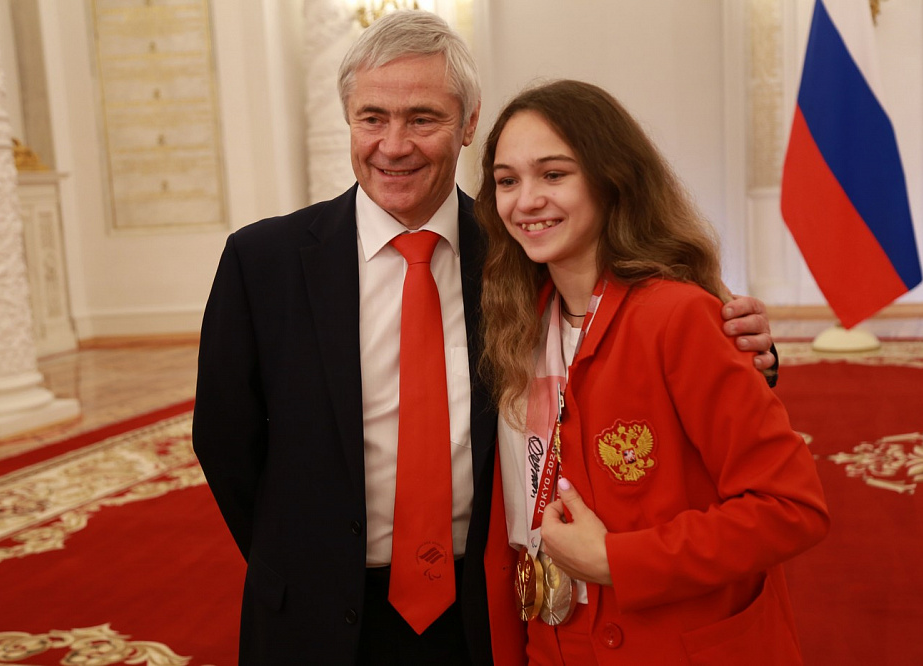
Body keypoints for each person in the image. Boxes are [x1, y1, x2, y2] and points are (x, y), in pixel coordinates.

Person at [192, 11, 776, 665]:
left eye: (422, 119)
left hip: (483, 614)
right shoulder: (261, 263)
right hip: (312, 615)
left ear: (468, 124)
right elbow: (225, 441)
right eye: (372, 118)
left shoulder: (523, 250)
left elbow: (633, 327)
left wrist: (751, 348)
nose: (393, 145)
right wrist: (299, 561)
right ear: (348, 119)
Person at [476, 79, 830, 664]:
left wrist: (617, 560)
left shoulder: (678, 315)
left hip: (674, 643)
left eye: (554, 174)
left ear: (612, 179)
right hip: (554, 640)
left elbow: (792, 507)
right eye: (507, 181)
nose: (526, 200)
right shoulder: (513, 320)